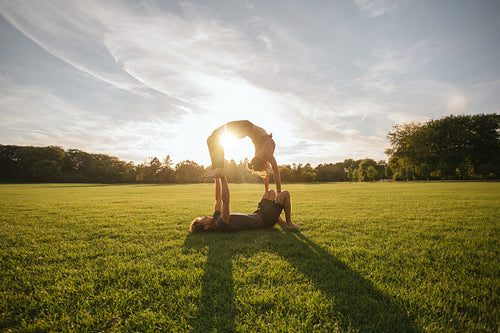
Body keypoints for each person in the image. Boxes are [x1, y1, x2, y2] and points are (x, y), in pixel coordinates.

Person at [190, 174, 298, 232]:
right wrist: (223, 177)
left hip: (258, 214)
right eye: (203, 219)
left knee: (270, 192)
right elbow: (225, 201)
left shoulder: (215, 218)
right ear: (206, 227)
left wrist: (216, 177)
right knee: (285, 194)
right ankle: (289, 224)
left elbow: (218, 199)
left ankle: (280, 220)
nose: (205, 216)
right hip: (265, 220)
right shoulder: (221, 225)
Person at [203, 120, 283, 196]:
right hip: (245, 127)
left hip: (245, 128)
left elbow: (266, 174)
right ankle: (219, 168)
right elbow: (275, 173)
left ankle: (216, 168)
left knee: (212, 138)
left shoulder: (260, 155)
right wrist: (278, 191)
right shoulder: (268, 154)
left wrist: (266, 190)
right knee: (214, 137)